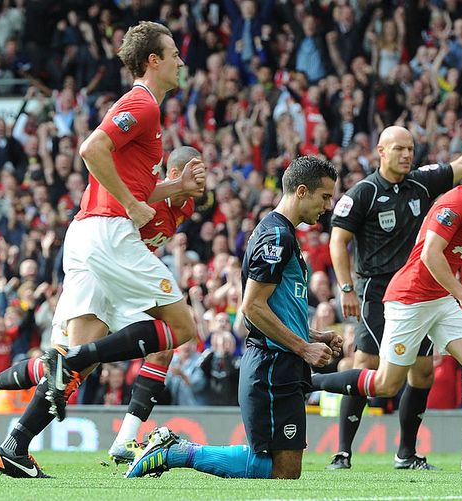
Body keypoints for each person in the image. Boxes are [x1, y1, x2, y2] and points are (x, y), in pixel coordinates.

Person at [0, 21, 205, 478]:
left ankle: (14, 445)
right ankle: (80, 359)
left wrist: (172, 187)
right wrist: (130, 204)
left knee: (73, 369)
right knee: (181, 328)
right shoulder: (142, 103)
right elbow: (91, 148)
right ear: (154, 60)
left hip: (88, 233)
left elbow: (131, 180)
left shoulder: (148, 110)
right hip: (109, 231)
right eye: (173, 54)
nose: (180, 61)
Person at [0, 146, 203, 464]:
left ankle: (123, 440)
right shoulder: (149, 185)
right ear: (175, 173)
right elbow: (117, 203)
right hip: (96, 269)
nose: (203, 179)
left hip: (121, 279)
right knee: (72, 368)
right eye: (199, 171)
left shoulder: (185, 207)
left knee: (155, 346)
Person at [125, 155, 342, 480]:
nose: (328, 206)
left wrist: (314, 336)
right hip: (272, 366)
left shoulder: (283, 235)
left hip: (282, 363)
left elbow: (277, 307)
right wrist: (303, 348)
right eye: (324, 197)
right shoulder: (276, 238)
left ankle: (176, 451)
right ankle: (176, 451)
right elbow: (252, 308)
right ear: (301, 191)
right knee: (277, 469)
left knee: (287, 470)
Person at [326, 112, 462, 470]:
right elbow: (339, 241)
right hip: (395, 292)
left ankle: (457, 452)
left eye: (410, 148)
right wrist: (346, 287)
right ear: (380, 151)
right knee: (379, 377)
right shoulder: (366, 193)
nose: (406, 154)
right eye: (398, 148)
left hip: (436, 290)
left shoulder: (423, 183)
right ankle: (323, 411)